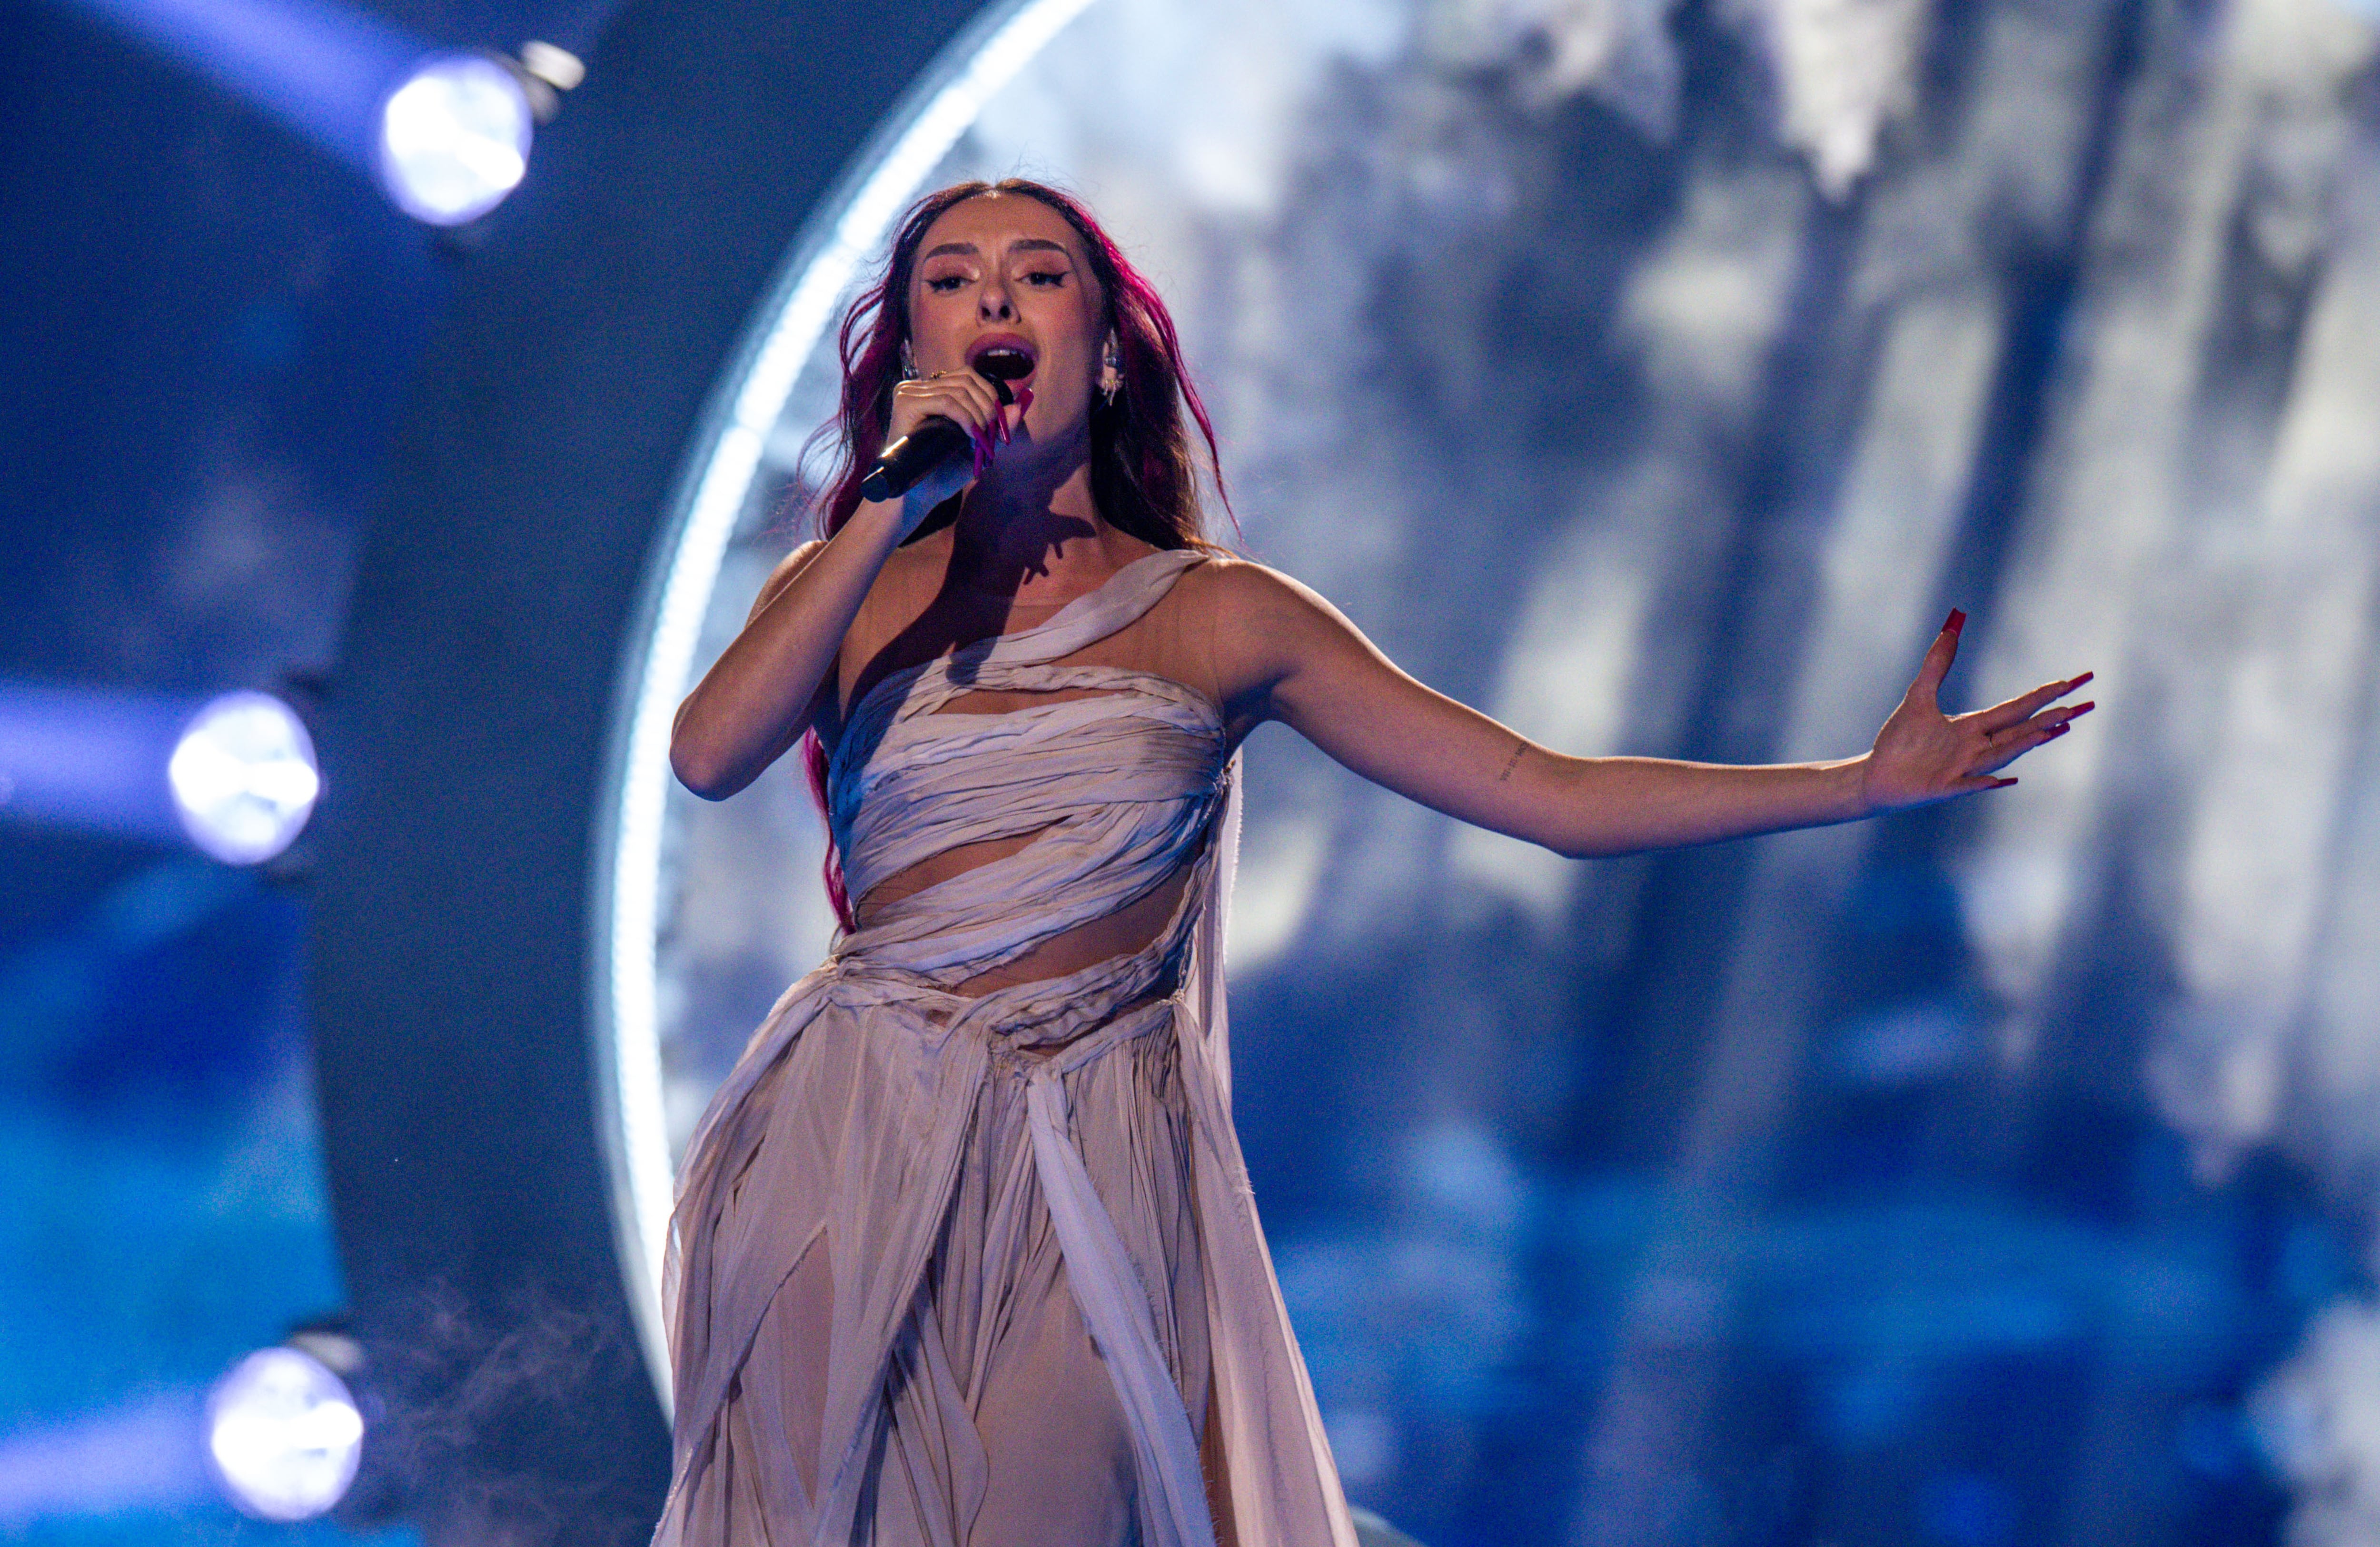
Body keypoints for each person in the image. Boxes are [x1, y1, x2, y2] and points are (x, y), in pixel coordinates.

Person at [652, 178, 2092, 1547]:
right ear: (913, 346)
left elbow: (1545, 790)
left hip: (1085, 1154)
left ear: (1099, 351)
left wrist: (1858, 782)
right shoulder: (848, 583)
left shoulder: (1222, 617)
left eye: (1040, 274)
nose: (994, 300)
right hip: (849, 1125)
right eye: (949, 283)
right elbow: (710, 752)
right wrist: (888, 508)